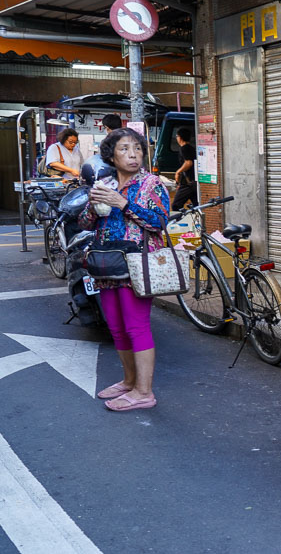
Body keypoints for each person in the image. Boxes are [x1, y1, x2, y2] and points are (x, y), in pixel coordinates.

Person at [79, 127, 170, 412]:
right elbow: (84, 222)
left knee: (135, 325)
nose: (133, 155)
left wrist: (123, 203)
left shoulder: (151, 184)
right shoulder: (104, 182)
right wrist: (94, 206)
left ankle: (144, 392)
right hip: (106, 264)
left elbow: (159, 223)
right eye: (124, 149)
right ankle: (129, 382)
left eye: (138, 149)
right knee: (116, 327)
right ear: (111, 155)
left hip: (137, 264)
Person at [171, 126, 198, 210]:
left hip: (188, 183)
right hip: (193, 182)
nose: (177, 138)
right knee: (197, 206)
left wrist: (178, 172)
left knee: (176, 205)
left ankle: (181, 221)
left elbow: (188, 162)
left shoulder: (184, 148)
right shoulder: (191, 148)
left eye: (177, 136)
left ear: (180, 137)